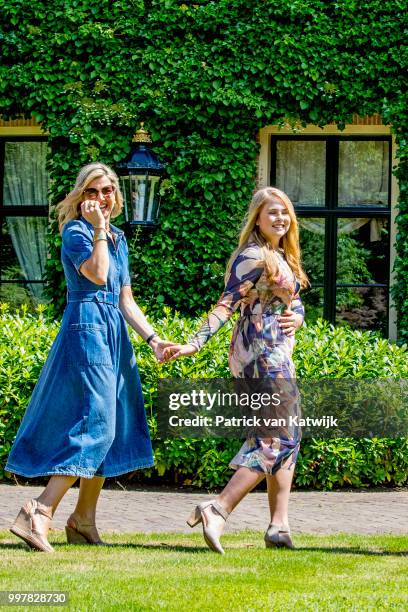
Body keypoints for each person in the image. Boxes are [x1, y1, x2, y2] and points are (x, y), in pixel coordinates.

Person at [6, 162, 172, 552]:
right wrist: (98, 229)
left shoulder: (118, 238)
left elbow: (124, 298)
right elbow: (97, 276)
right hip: (87, 330)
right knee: (97, 424)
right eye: (93, 191)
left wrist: (153, 339)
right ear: (82, 197)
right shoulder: (77, 232)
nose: (101, 198)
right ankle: (38, 510)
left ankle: (83, 519)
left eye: (107, 191)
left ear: (115, 197)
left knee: (111, 426)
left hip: (114, 333)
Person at [163, 187, 308, 554]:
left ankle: (279, 526)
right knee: (279, 438)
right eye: (272, 212)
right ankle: (218, 508)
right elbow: (226, 305)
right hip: (259, 356)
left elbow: (294, 301)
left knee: (286, 434)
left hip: (278, 352)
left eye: (285, 212)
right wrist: (194, 343)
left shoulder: (282, 256)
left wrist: (298, 317)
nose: (280, 218)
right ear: (257, 218)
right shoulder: (252, 255)